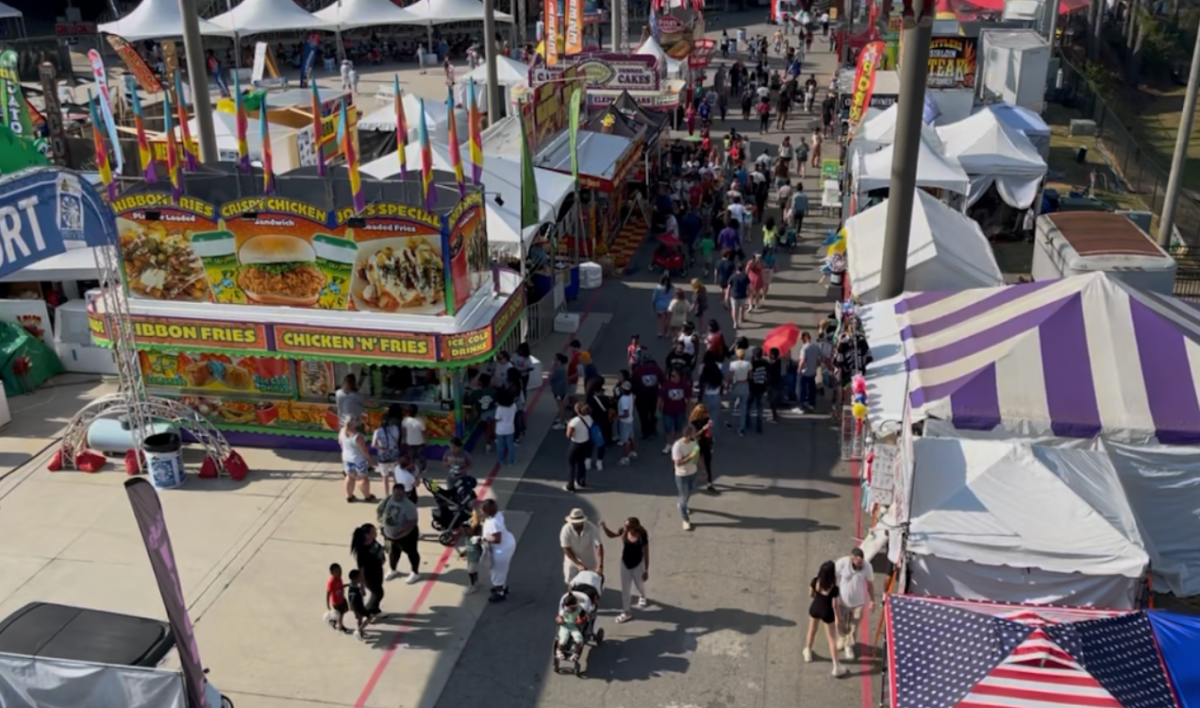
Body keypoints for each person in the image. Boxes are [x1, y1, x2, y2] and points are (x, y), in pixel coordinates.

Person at [601, 518, 649, 622]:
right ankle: (626, 612)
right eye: (624, 526)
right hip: (625, 563)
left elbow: (646, 552)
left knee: (639, 584)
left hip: (637, 564)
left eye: (627, 527)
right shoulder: (624, 531)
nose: (624, 528)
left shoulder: (642, 535)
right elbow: (612, 535)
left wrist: (646, 570)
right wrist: (605, 528)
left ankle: (642, 595)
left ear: (634, 527)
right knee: (625, 589)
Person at [805, 560, 847, 676]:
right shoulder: (834, 588)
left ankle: (808, 651)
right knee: (832, 639)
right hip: (827, 612)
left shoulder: (816, 582)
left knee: (812, 631)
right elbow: (836, 605)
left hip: (815, 608)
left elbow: (811, 594)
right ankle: (836, 666)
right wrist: (840, 617)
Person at [835, 548, 875, 659]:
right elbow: (833, 576)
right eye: (857, 563)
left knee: (853, 626)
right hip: (842, 601)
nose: (859, 566)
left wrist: (872, 600)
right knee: (840, 622)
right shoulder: (842, 563)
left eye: (861, 563)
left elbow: (870, 584)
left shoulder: (867, 566)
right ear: (851, 558)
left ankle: (849, 646)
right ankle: (842, 638)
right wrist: (833, 595)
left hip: (858, 603)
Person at [377, 484, 421, 584]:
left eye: (401, 495)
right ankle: (393, 569)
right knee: (392, 552)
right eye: (396, 495)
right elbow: (381, 510)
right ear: (392, 492)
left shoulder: (409, 506)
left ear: (404, 493)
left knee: (412, 553)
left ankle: (415, 572)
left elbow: (412, 522)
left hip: (406, 536)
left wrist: (400, 532)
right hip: (388, 535)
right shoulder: (388, 499)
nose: (398, 497)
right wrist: (382, 524)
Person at [480, 499, 516, 602]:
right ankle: (502, 587)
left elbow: (497, 539)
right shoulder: (497, 515)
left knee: (497, 571)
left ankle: (500, 591)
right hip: (507, 543)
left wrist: (483, 538)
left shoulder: (493, 523)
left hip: (501, 550)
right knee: (501, 570)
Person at [350, 523, 386, 618]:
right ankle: (368, 611)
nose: (376, 533)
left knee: (377, 592)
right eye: (373, 532)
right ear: (367, 535)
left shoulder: (373, 542)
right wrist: (362, 584)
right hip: (370, 576)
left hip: (378, 571)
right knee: (378, 593)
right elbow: (361, 569)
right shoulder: (362, 551)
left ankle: (375, 610)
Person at [561, 508, 604, 585]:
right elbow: (566, 548)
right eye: (574, 524)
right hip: (572, 562)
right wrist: (578, 564)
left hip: (588, 561)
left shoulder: (591, 527)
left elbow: (598, 546)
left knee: (589, 583)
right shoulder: (566, 529)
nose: (577, 526)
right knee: (571, 583)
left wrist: (600, 565)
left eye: (579, 523)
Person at [340, 416, 376, 503]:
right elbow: (364, 450)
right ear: (353, 424)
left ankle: (349, 496)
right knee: (363, 478)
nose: (358, 421)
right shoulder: (358, 436)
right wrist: (370, 461)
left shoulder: (342, 431)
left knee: (350, 477)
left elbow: (341, 444)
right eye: (356, 420)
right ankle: (367, 496)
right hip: (358, 459)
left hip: (347, 458)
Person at [672, 426, 700, 531]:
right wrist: (690, 457)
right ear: (688, 436)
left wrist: (701, 467)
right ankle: (685, 520)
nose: (695, 435)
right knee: (684, 497)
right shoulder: (678, 446)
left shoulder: (694, 442)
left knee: (689, 492)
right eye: (693, 433)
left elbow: (697, 454)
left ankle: (682, 504)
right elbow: (678, 463)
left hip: (693, 472)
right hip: (682, 475)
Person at [372, 404, 403, 496]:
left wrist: (380, 447)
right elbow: (397, 441)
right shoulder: (395, 429)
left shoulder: (377, 431)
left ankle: (386, 495)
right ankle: (396, 493)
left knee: (385, 477)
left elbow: (373, 445)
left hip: (383, 456)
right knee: (395, 475)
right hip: (394, 454)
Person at [659, 368, 691, 454]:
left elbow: (688, 398)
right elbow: (661, 398)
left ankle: (676, 445)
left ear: (680, 376)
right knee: (668, 429)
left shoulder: (684, 386)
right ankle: (669, 444)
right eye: (671, 376)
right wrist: (658, 409)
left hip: (680, 411)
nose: (672, 378)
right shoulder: (666, 385)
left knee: (678, 429)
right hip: (668, 411)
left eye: (674, 376)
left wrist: (689, 410)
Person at [632, 355, 664, 439]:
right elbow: (633, 382)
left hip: (651, 397)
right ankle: (646, 431)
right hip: (643, 397)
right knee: (644, 416)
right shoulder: (638, 370)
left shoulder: (655, 369)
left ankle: (650, 429)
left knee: (652, 415)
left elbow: (663, 381)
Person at [565, 403, 594, 492]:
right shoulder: (589, 418)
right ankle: (581, 481)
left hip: (576, 444)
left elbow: (568, 435)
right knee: (581, 462)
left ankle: (570, 485)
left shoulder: (574, 421)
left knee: (571, 463)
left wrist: (568, 425)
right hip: (585, 443)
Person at [586, 378, 614, 472]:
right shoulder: (606, 399)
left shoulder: (589, 399)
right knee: (601, 444)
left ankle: (588, 461)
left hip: (592, 423)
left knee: (590, 443)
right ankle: (599, 462)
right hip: (604, 423)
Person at [689, 402, 717, 491]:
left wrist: (711, 441)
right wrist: (703, 429)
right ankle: (692, 479)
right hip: (697, 444)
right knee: (694, 462)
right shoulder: (694, 422)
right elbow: (694, 435)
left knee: (708, 462)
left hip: (706, 443)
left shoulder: (707, 418)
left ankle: (709, 482)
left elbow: (709, 433)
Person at [455, 508, 484, 594]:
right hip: (470, 559)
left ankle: (473, 586)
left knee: (470, 572)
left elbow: (481, 545)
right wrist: (465, 552)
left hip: (475, 559)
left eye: (467, 529)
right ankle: (476, 583)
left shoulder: (474, 539)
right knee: (474, 571)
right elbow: (469, 547)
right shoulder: (468, 538)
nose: (465, 531)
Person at [467, 373, 497, 451]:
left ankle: (489, 442)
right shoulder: (493, 391)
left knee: (486, 428)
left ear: (479, 382)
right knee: (490, 427)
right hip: (492, 413)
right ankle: (492, 438)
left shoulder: (476, 393)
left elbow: (468, 401)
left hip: (482, 415)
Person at [727, 348, 752, 435]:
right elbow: (750, 376)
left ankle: (729, 422)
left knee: (731, 405)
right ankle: (741, 427)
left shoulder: (732, 364)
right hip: (744, 385)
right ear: (744, 356)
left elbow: (730, 376)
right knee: (743, 407)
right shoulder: (748, 364)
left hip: (736, 384)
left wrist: (727, 385)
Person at [796, 331, 823, 412]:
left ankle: (801, 405)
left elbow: (802, 360)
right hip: (813, 371)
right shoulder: (816, 346)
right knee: (812, 388)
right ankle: (812, 404)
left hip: (804, 372)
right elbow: (820, 357)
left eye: (801, 339)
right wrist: (817, 363)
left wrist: (799, 369)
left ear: (804, 338)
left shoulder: (804, 348)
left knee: (801, 389)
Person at [555, 593, 587, 660]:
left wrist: (581, 620)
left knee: (579, 640)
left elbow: (583, 616)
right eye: (571, 608)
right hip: (565, 626)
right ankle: (559, 650)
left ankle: (576, 653)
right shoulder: (564, 611)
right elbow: (558, 617)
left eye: (574, 607)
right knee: (563, 640)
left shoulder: (579, 609)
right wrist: (560, 620)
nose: (573, 609)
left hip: (574, 627)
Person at [748, 347, 770, 433]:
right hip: (762, 387)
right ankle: (759, 424)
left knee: (749, 404)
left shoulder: (752, 364)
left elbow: (749, 375)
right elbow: (768, 374)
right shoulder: (766, 363)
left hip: (753, 387)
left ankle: (747, 421)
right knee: (759, 406)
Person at [494, 388, 517, 466]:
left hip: (500, 430)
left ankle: (501, 460)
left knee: (500, 446)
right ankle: (511, 460)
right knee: (510, 445)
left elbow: (497, 419)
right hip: (510, 429)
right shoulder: (513, 406)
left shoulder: (499, 409)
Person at [325, 563, 350, 633]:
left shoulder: (339, 578)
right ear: (332, 573)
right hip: (336, 602)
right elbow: (328, 593)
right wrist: (327, 604)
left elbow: (340, 586)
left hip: (342, 599)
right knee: (340, 614)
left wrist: (348, 585)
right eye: (337, 572)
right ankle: (341, 626)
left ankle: (335, 621)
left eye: (340, 571)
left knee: (343, 612)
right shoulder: (331, 582)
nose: (340, 573)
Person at [616, 380, 637, 465]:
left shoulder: (623, 399)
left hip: (624, 421)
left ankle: (625, 458)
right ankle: (633, 452)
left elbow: (626, 413)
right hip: (631, 420)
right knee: (632, 437)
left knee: (625, 441)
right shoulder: (631, 396)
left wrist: (618, 417)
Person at [402, 405, 427, 473]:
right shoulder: (420, 420)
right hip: (420, 441)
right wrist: (425, 440)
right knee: (420, 455)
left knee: (411, 456)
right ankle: (423, 468)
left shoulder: (405, 420)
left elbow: (404, 430)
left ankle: (412, 468)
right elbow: (423, 431)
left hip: (410, 441)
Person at [346, 569, 369, 639]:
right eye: (360, 577)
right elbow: (352, 601)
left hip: (359, 605)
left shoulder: (353, 585)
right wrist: (355, 611)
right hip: (357, 606)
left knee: (360, 619)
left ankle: (360, 631)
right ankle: (358, 631)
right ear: (355, 579)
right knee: (369, 617)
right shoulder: (354, 591)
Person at [549, 352, 570, 429]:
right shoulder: (561, 368)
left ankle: (562, 422)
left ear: (558, 360)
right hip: (560, 389)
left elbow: (551, 377)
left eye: (554, 359)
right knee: (561, 406)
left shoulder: (559, 369)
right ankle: (562, 418)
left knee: (561, 406)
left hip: (559, 391)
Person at [728, 263, 751, 330]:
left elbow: (729, 287)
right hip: (743, 295)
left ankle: (735, 322)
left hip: (734, 296)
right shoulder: (745, 276)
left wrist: (727, 296)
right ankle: (741, 318)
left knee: (734, 309)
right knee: (742, 307)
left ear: (736, 269)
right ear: (743, 269)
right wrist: (749, 294)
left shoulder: (732, 276)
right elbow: (748, 287)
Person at [767, 347, 786, 422]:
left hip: (772, 383)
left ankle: (774, 416)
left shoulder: (773, 364)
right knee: (773, 400)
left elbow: (769, 369)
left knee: (772, 400)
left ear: (772, 355)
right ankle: (774, 414)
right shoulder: (779, 361)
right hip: (776, 382)